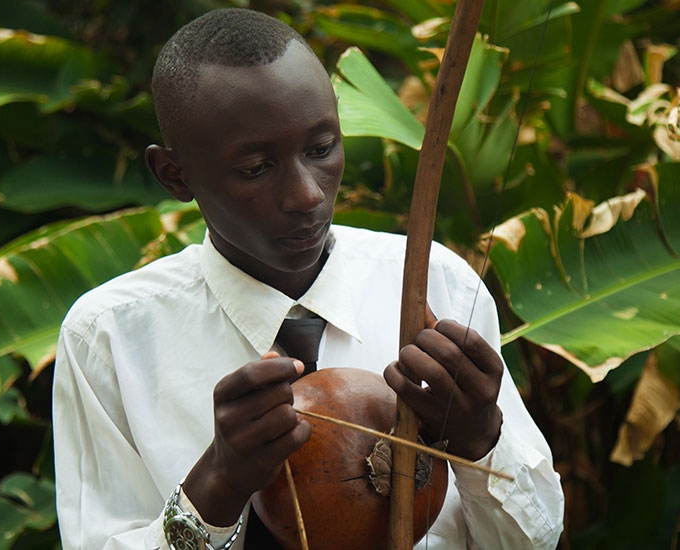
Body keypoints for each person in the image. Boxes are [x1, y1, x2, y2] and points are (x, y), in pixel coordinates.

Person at [52, 8, 564, 549]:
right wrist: (218, 485)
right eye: (256, 168)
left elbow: (535, 540)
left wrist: (482, 441)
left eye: (321, 150)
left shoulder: (437, 285)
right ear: (175, 175)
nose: (307, 195)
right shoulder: (109, 338)